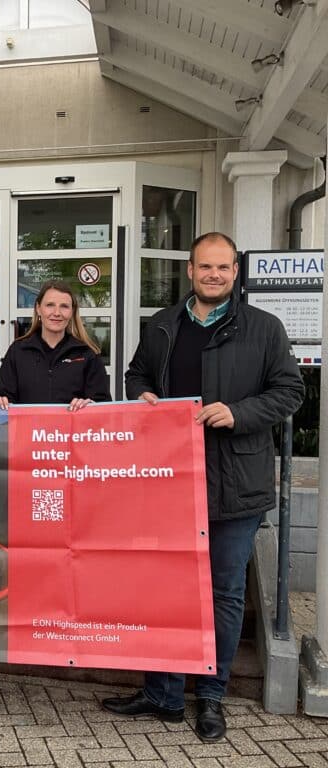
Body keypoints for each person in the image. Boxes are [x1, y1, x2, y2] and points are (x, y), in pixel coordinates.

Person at [101, 232, 304, 742]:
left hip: (235, 486)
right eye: (205, 267)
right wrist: (143, 396)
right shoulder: (163, 325)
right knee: (163, 589)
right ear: (190, 270)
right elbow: (136, 375)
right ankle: (163, 694)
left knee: (223, 594)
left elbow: (289, 390)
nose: (214, 275)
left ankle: (211, 696)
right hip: (168, 482)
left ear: (235, 272)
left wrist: (238, 413)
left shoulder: (264, 328)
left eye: (223, 267)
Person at [0, 279, 110, 410]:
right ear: (38, 308)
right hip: (28, 424)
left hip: (72, 424)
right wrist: (0, 402)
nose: (57, 313)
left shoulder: (87, 355)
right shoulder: (17, 351)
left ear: (72, 311)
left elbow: (103, 405)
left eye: (64, 306)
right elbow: (6, 398)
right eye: (50, 305)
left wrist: (90, 405)